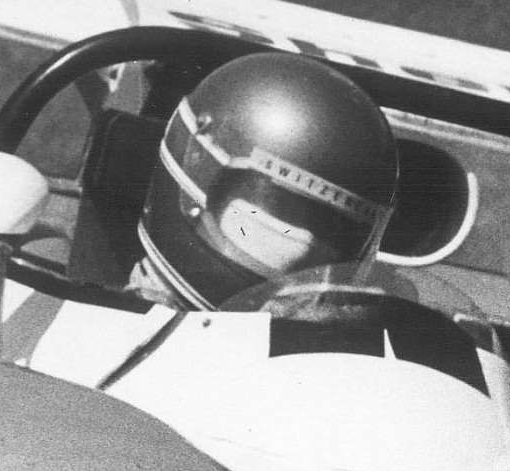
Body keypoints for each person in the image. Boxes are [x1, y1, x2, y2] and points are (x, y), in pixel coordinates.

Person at [131, 51, 400, 310]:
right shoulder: (114, 325)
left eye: (329, 228)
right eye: (283, 207)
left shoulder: (326, 335)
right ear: (197, 160)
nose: (305, 246)